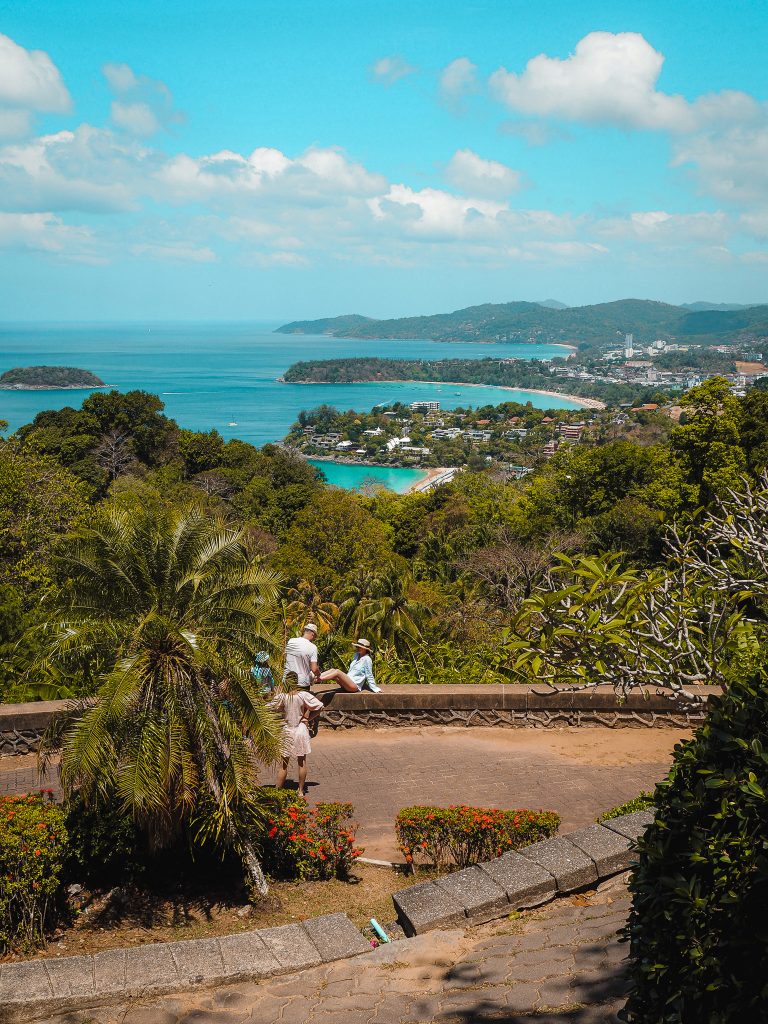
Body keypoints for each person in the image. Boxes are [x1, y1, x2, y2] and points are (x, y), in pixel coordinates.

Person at [272, 672, 324, 798]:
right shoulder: (303, 695)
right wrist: (308, 718)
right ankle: (300, 790)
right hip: (300, 729)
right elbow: (320, 707)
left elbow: (269, 708)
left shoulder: (282, 697)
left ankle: (277, 791)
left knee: (283, 764)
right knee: (302, 762)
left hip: (287, 730)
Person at [283, 623, 320, 689]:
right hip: (302, 684)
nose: (314, 638)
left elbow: (286, 657)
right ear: (313, 634)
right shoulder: (313, 647)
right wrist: (318, 674)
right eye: (315, 636)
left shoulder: (291, 641)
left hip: (287, 681)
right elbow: (314, 669)